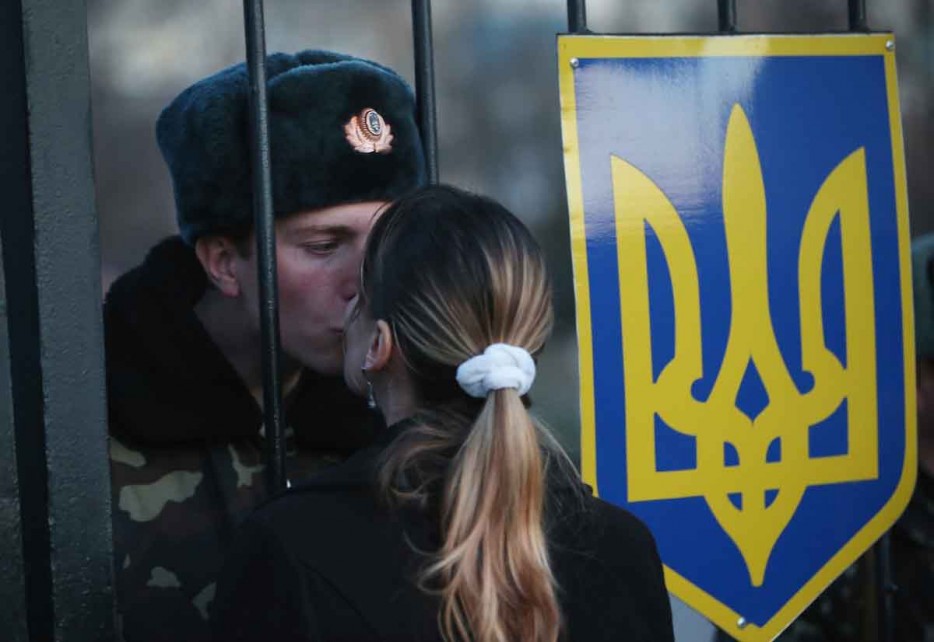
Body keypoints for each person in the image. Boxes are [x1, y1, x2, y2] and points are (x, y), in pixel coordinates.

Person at [211, 185, 675, 642]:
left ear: (378, 345)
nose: (346, 300)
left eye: (360, 299)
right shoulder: (622, 548)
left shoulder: (292, 548)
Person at [104, 50, 425, 641]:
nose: (367, 282)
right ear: (225, 263)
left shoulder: (414, 404)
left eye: (390, 236)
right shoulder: (81, 433)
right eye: (326, 245)